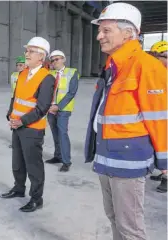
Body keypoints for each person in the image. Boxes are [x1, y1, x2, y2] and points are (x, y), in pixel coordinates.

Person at [85, 3, 167, 239]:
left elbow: (160, 117)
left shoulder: (147, 66)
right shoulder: (113, 65)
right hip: (106, 155)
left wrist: (164, 160)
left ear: (128, 33)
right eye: (100, 30)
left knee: (130, 227)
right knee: (114, 218)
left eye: (106, 30)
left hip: (128, 161)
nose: (99, 36)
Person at [1, 37, 55, 213]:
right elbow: (15, 98)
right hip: (16, 126)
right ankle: (18, 188)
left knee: (33, 165)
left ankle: (36, 198)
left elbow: (42, 108)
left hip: (32, 129)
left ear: (41, 56)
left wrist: (22, 121)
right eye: (27, 50)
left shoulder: (46, 78)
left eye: (31, 51)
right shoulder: (23, 73)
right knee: (17, 162)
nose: (27, 54)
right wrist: (10, 114)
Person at [45, 50, 79, 172]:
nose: (55, 62)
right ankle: (57, 156)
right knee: (55, 134)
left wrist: (58, 106)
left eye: (57, 59)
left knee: (62, 134)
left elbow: (71, 93)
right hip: (50, 109)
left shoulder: (72, 73)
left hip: (63, 109)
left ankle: (66, 161)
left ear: (63, 59)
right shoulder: (49, 73)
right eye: (52, 60)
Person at [148, 40, 168, 193]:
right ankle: (163, 171)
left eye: (157, 56)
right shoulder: (159, 73)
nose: (155, 59)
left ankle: (166, 179)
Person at [8, 55, 26, 148]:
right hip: (14, 100)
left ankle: (22, 142)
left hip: (24, 102)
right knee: (13, 120)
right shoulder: (14, 75)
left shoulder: (28, 75)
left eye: (21, 65)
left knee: (22, 122)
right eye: (18, 65)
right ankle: (15, 142)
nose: (19, 67)